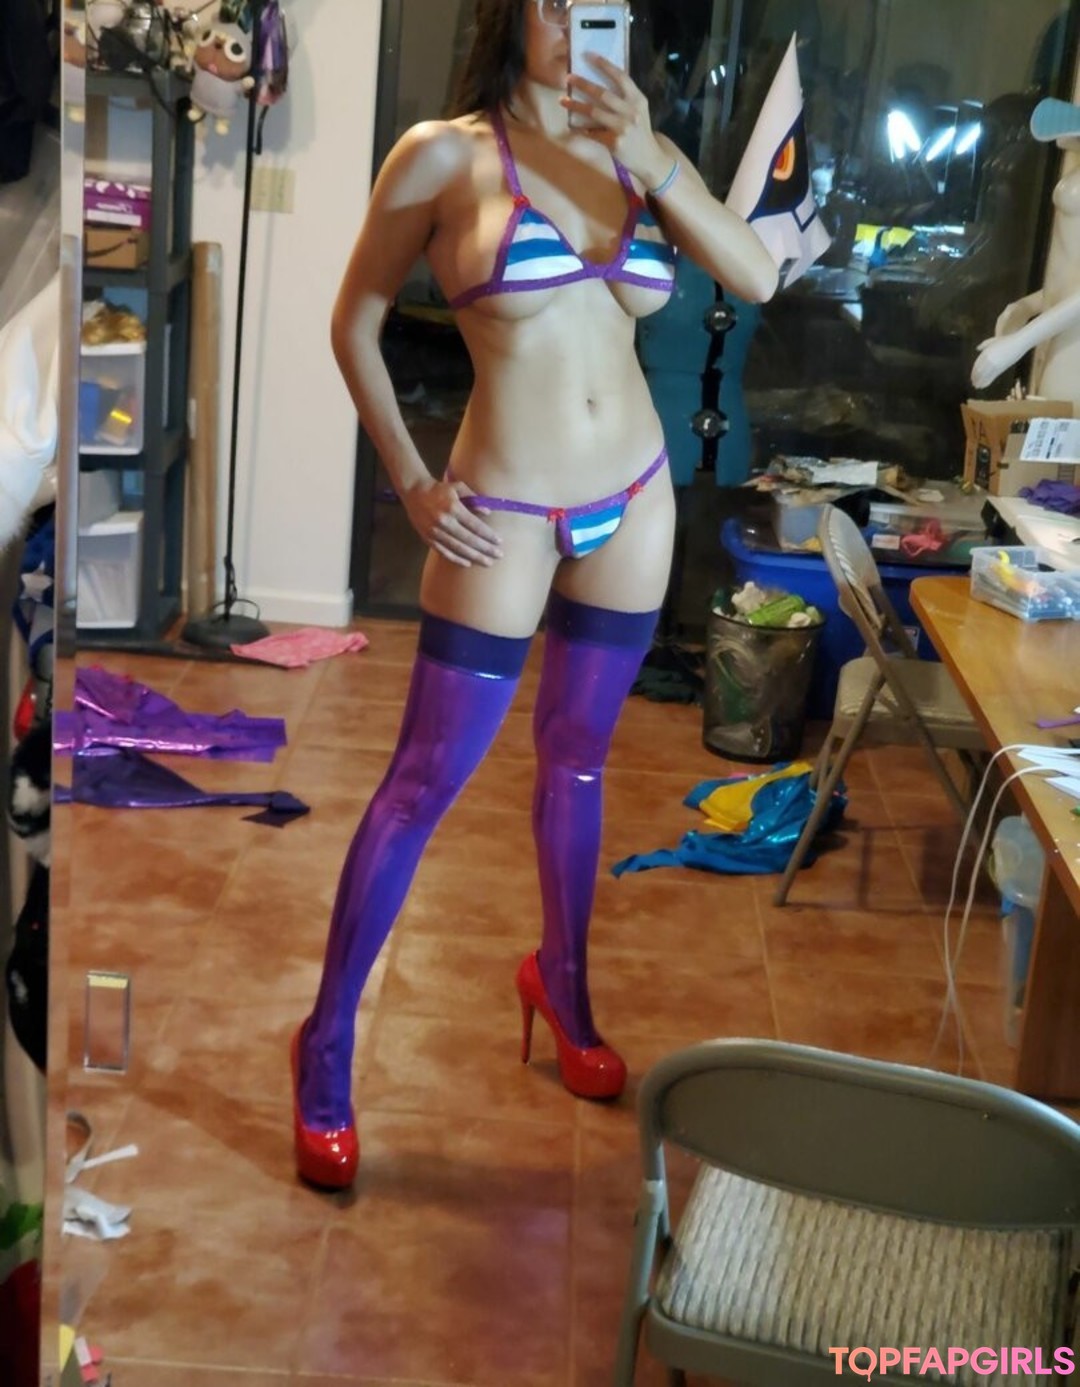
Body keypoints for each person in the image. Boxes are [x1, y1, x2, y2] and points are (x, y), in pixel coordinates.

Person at [291, 0, 777, 1189]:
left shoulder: (638, 148)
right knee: (423, 781)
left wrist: (653, 154)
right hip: (500, 510)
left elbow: (757, 274)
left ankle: (562, 987)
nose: (576, 16)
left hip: (638, 499)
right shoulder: (444, 156)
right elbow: (353, 320)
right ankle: (326, 1040)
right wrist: (410, 480)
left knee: (579, 760)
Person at [971, 97, 1080, 401]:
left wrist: (1019, 343)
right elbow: (1068, 275)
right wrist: (1026, 307)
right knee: (1041, 414)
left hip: (1072, 342)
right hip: (1056, 327)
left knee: (1054, 412)